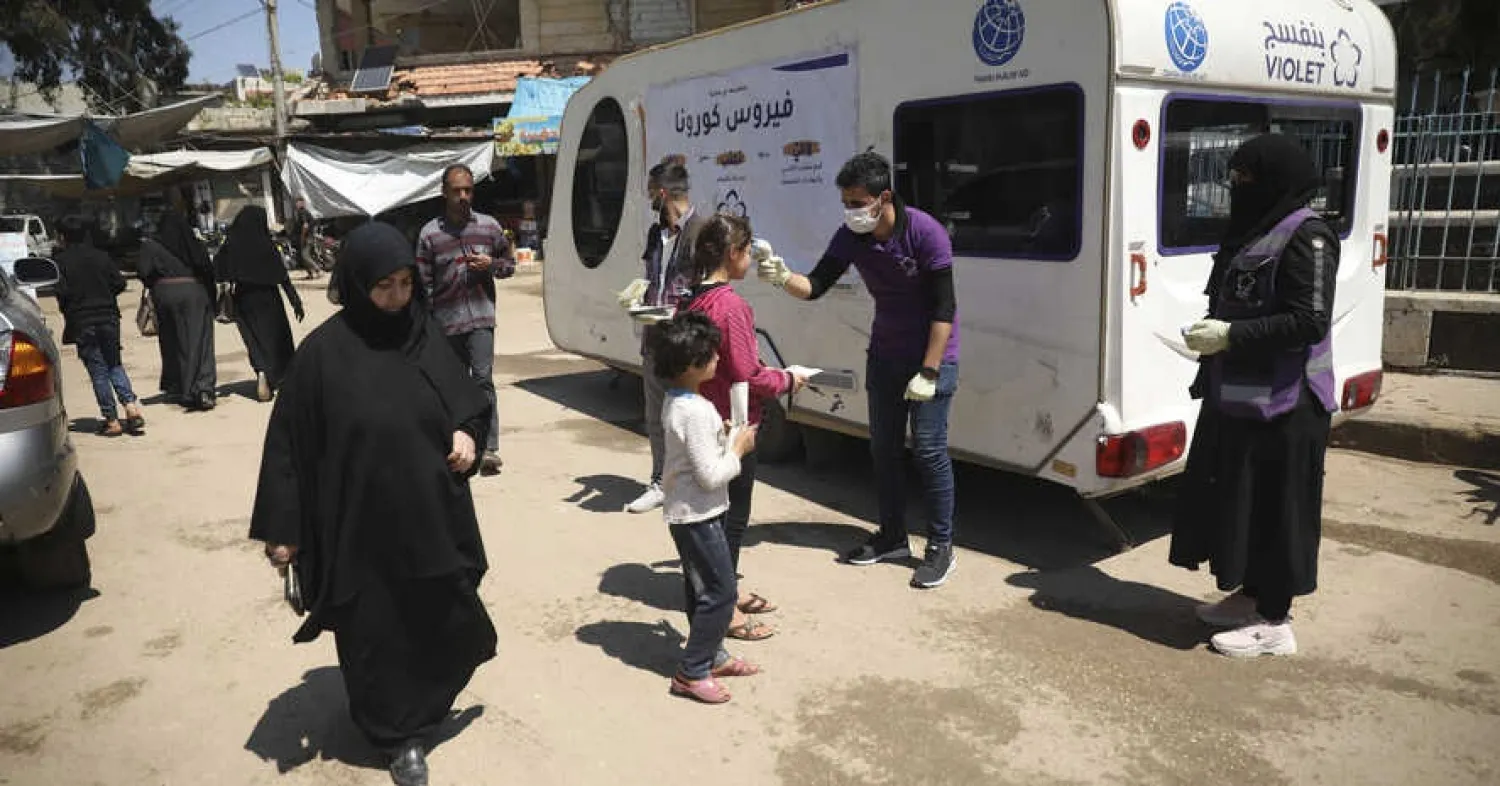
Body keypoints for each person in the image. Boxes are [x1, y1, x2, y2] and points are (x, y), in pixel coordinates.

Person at [250, 222, 497, 786]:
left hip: (430, 514)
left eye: (406, 283)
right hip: (357, 527)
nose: (397, 296)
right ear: (358, 284)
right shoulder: (321, 357)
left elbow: (466, 401)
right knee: (376, 631)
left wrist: (466, 434)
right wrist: (283, 530)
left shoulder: (423, 334)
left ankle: (425, 708)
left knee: (446, 612)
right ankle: (396, 736)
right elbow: (286, 448)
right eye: (384, 285)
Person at [757, 152, 961, 589]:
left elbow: (945, 308)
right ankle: (892, 538)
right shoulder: (851, 236)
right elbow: (815, 286)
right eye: (846, 202)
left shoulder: (926, 233)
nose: (850, 210)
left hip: (932, 356)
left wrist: (929, 371)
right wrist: (781, 277)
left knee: (928, 450)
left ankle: (941, 546)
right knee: (883, 449)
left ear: (883, 197)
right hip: (885, 356)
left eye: (857, 202)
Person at [1171, 134, 1340, 659]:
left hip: (1291, 404)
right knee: (1246, 504)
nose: (1236, 186)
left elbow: (1308, 320)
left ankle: (1275, 621)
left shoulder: (1308, 236)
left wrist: (1231, 335)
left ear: (1276, 179)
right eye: (1235, 176)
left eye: (1246, 177)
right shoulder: (1256, 230)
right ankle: (1252, 596)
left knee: (1279, 508)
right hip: (1245, 398)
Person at [681, 214, 807, 641]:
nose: (751, 259)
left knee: (717, 519)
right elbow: (747, 373)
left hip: (705, 420)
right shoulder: (731, 305)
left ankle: (726, 592)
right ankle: (724, 610)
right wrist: (788, 379)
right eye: (748, 250)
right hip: (732, 428)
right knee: (730, 521)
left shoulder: (693, 298)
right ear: (733, 253)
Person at [652, 311, 762, 704]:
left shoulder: (682, 400)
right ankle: (692, 671)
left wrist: (728, 434)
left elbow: (699, 459)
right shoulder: (693, 411)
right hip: (696, 514)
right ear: (691, 365)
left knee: (701, 588)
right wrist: (738, 448)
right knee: (720, 590)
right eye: (712, 355)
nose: (718, 359)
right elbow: (711, 476)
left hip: (695, 511)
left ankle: (711, 656)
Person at [416, 164, 515, 475]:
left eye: (468, 190)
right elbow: (422, 283)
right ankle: (458, 444)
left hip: (482, 317)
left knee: (483, 380)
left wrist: (492, 264)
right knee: (452, 385)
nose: (463, 196)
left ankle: (490, 447)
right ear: (444, 192)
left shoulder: (488, 226)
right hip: (445, 322)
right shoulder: (430, 234)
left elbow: (509, 264)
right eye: (456, 190)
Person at [623, 162, 709, 515]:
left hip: (687, 342)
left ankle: (695, 482)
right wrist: (639, 298)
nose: (649, 201)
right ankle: (660, 481)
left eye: (649, 193)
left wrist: (675, 313)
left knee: (691, 417)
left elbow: (707, 286)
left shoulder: (702, 231)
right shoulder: (655, 233)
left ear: (662, 193)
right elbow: (654, 279)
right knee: (657, 416)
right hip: (655, 340)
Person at [52, 214, 145, 437]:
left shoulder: (61, 263)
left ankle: (111, 420)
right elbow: (120, 283)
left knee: (97, 369)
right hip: (108, 317)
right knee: (114, 363)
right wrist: (105, 295)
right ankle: (131, 408)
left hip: (83, 320)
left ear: (63, 237)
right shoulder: (102, 257)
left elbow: (61, 292)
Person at [214, 205, 306, 402]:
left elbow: (218, 270)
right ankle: (279, 377)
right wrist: (295, 301)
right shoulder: (266, 245)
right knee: (276, 339)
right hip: (269, 299)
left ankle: (262, 371)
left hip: (243, 298)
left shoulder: (231, 245)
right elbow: (283, 277)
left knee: (254, 339)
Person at [136, 212, 218, 412]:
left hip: (165, 295)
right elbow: (207, 269)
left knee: (172, 341)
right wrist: (212, 299)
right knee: (200, 341)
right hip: (195, 293)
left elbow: (143, 271)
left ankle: (179, 386)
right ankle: (203, 388)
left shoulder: (151, 245)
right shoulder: (193, 243)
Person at [290, 197, 321, 280]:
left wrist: (302, 237)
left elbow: (305, 226)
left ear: (302, 203)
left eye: (298, 202)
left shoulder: (302, 212)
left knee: (305, 256)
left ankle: (318, 270)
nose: (296, 204)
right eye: (296, 202)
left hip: (307, 237)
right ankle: (310, 274)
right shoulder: (299, 212)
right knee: (302, 256)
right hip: (306, 237)